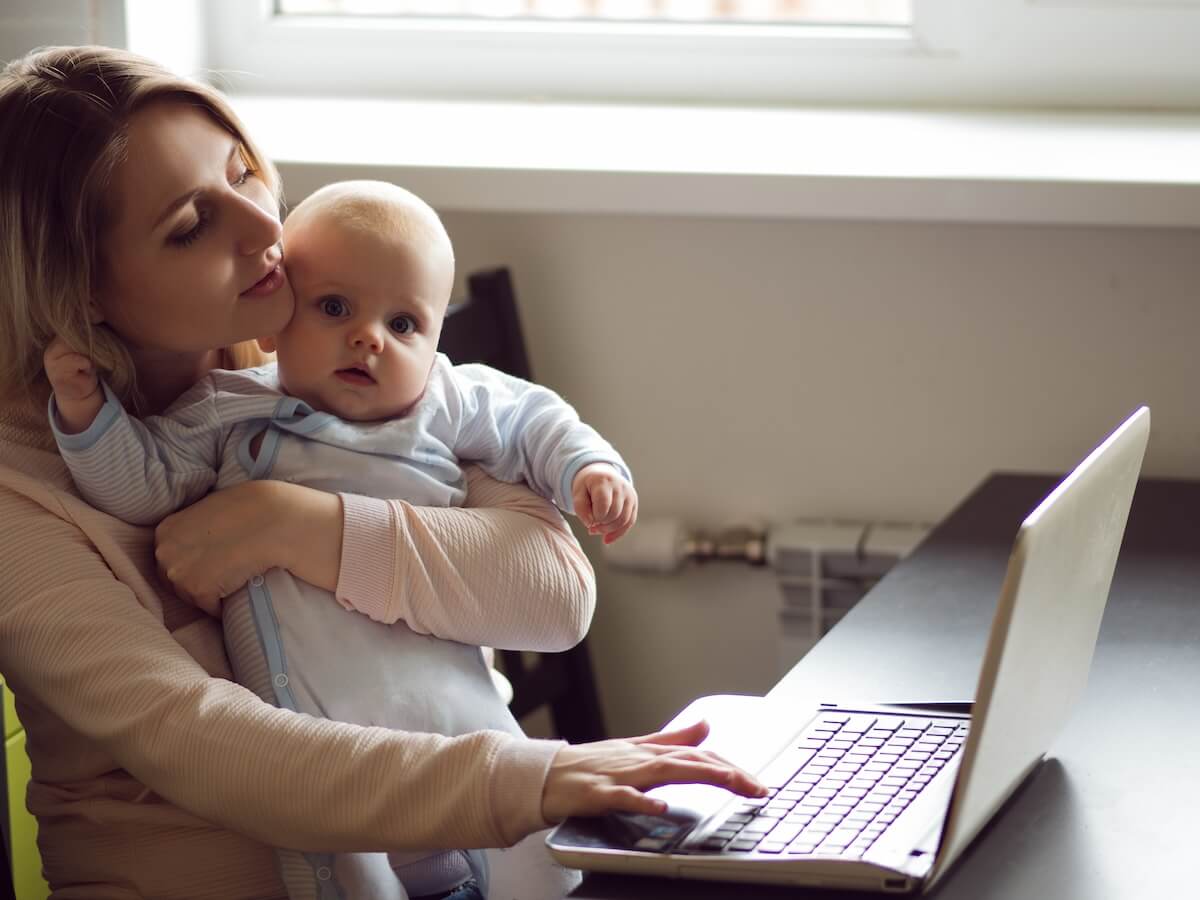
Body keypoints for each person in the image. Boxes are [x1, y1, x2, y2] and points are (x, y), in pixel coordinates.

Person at [0, 44, 766, 899]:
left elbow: (555, 595)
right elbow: (204, 742)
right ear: (80, 290)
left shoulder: (308, 346)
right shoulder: (18, 501)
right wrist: (529, 781)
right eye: (191, 225)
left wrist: (297, 527)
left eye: (245, 173)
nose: (265, 230)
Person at [43, 177, 640, 899]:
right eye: (334, 308)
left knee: (523, 870)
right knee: (343, 870)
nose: (369, 337)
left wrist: (589, 467)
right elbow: (142, 486)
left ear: (436, 345)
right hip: (323, 745)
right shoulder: (232, 411)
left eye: (405, 324)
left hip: (449, 720)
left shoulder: (440, 403)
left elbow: (533, 422)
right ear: (275, 323)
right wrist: (86, 416)